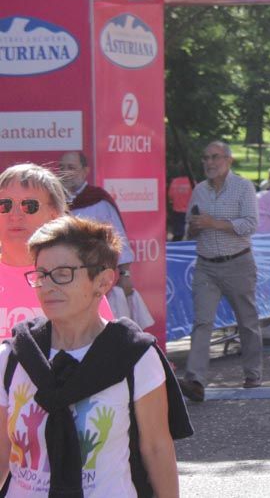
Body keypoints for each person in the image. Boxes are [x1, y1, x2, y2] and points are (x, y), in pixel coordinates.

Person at [0, 215, 192, 498]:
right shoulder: (14, 355)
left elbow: (156, 448)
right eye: (41, 274)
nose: (47, 286)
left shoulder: (134, 356)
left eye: (63, 273)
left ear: (103, 281)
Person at [178, 141, 262, 402]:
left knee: (247, 321)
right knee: (202, 322)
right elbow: (188, 228)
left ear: (228, 160)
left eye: (215, 157)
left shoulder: (243, 187)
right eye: (205, 158)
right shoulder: (199, 190)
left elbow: (250, 224)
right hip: (206, 265)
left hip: (238, 262)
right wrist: (194, 227)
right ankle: (195, 380)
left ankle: (253, 373)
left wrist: (214, 223)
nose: (209, 163)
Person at [1, 164, 114, 338]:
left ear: (54, 214)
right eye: (4, 205)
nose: (15, 215)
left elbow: (103, 347)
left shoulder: (78, 278)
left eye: (29, 205)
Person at [58, 151, 136, 301]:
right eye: (61, 167)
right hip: (62, 276)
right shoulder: (54, 201)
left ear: (85, 171)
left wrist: (125, 275)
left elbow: (119, 239)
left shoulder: (98, 201)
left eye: (71, 167)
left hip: (94, 276)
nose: (65, 172)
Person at [167, 170, 194, 241]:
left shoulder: (174, 181)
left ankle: (175, 246)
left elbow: (170, 196)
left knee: (177, 234)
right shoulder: (192, 181)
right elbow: (197, 196)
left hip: (177, 211)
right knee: (190, 235)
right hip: (189, 212)